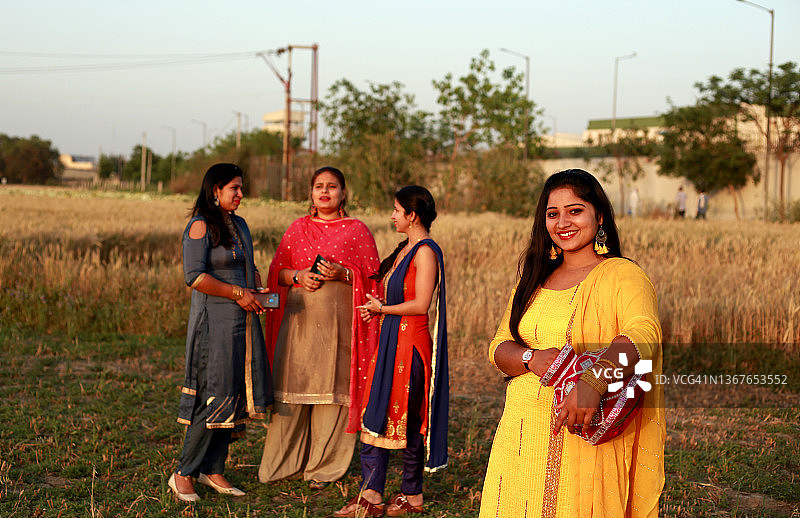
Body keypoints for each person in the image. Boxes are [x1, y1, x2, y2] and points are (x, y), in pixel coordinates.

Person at [479, 169, 664, 517]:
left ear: (600, 216)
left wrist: (594, 381)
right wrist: (531, 357)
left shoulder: (622, 275)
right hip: (522, 435)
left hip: (585, 433)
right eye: (553, 213)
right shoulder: (534, 278)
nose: (562, 221)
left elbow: (644, 333)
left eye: (575, 210)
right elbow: (499, 346)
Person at [258, 166, 382, 489]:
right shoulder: (297, 229)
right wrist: (298, 276)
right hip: (298, 327)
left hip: (339, 330)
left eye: (332, 186)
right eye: (318, 187)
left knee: (333, 397)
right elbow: (277, 274)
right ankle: (281, 464)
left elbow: (373, 280)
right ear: (311, 193)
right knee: (290, 393)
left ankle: (323, 469)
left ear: (343, 194)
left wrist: (344, 273)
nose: (325, 192)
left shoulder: (357, 231)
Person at [335, 185, 448, 518]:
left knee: (408, 420)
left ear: (412, 216)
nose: (392, 215)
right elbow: (403, 299)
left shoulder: (425, 251)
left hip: (409, 346)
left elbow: (420, 304)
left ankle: (411, 496)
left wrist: (384, 311)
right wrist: (380, 307)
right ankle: (371, 493)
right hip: (390, 343)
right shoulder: (405, 249)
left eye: (397, 210)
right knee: (377, 411)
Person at [169, 163, 272, 502]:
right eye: (235, 189)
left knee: (233, 392)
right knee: (212, 395)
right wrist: (237, 293)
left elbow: (246, 265)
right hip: (214, 322)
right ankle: (184, 473)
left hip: (242, 321)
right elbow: (194, 277)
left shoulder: (239, 224)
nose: (241, 194)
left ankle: (213, 469)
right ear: (215, 190)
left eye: (241, 188)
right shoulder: (200, 226)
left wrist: (255, 285)